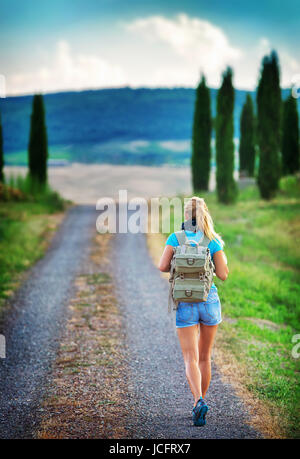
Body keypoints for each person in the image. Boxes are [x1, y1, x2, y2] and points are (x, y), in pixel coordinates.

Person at [158, 196, 229, 426]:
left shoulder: (175, 237)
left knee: (190, 357)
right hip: (208, 301)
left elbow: (162, 266)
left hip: (185, 302)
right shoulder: (212, 239)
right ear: (205, 214)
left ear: (186, 215)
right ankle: (201, 403)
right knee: (204, 357)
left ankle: (198, 401)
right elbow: (224, 274)